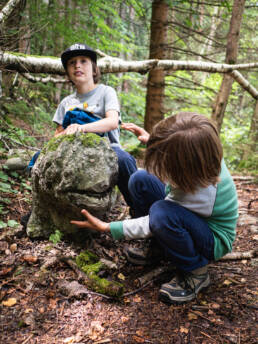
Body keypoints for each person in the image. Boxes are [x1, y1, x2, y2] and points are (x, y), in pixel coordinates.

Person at [71, 112, 239, 304]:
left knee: (161, 214)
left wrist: (109, 227)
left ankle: (196, 273)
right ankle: (159, 247)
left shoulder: (203, 191)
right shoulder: (204, 156)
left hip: (212, 238)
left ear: (185, 165)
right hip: (191, 215)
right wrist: (152, 141)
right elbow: (185, 148)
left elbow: (153, 221)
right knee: (140, 179)